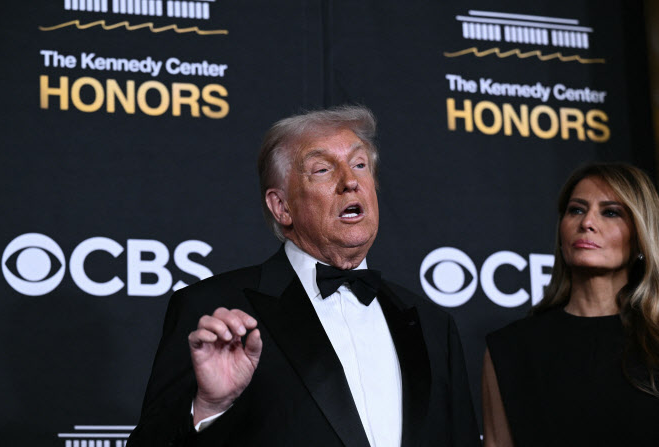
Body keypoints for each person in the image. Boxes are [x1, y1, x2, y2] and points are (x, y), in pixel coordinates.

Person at [127, 105, 480, 447]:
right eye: (322, 170)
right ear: (282, 207)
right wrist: (207, 407)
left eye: (359, 164)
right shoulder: (213, 309)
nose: (351, 182)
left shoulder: (434, 326)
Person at [482, 163, 659, 447]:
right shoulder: (510, 348)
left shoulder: (654, 340)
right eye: (576, 210)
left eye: (610, 212)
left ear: (640, 236)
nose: (587, 222)